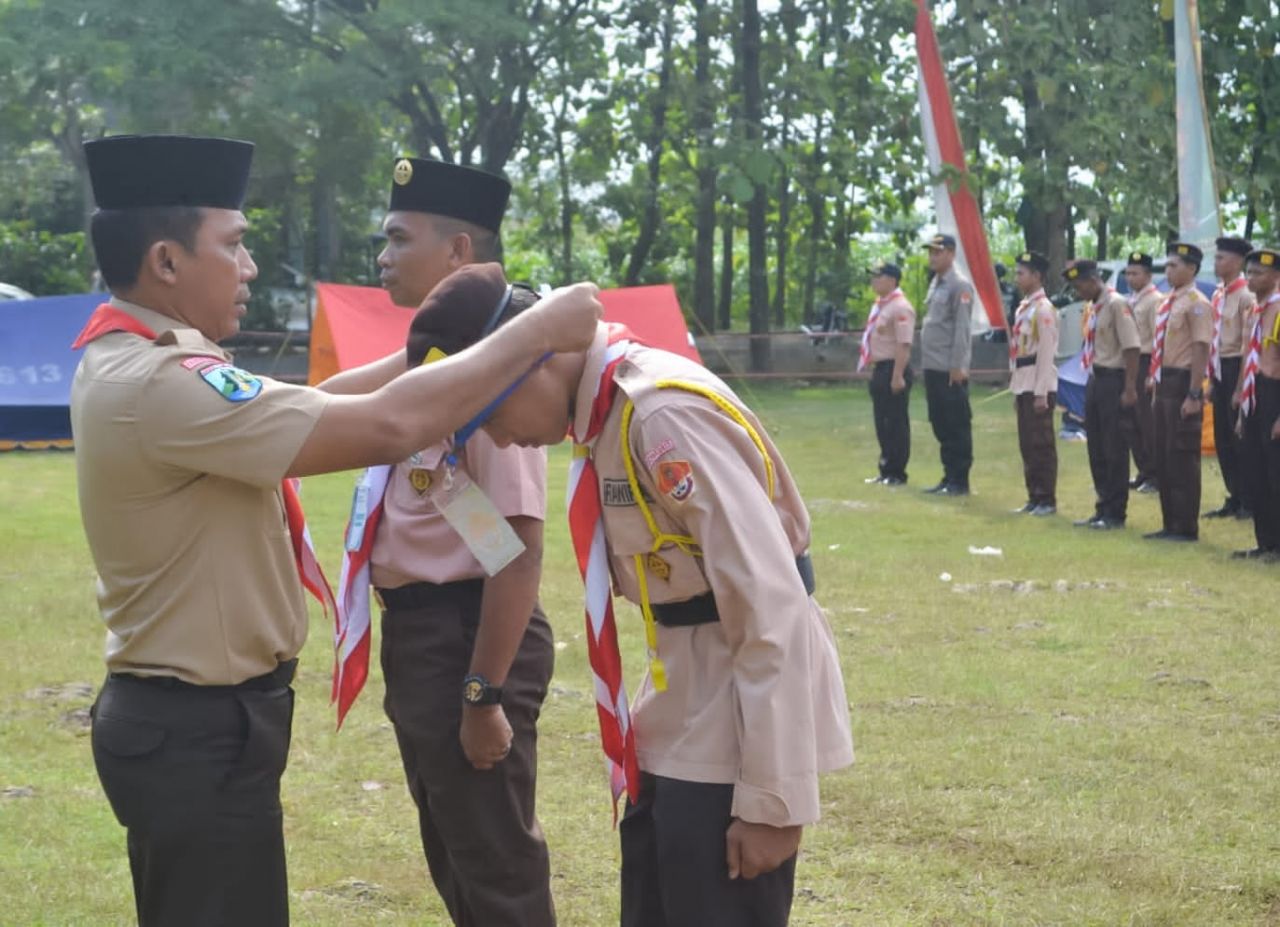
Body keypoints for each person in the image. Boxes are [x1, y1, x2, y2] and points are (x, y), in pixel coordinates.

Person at [71, 134, 601, 927]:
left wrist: (455, 344)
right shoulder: (162, 381)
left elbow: (506, 546)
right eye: (234, 244)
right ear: (167, 261)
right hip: (198, 727)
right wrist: (532, 332)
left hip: (224, 717)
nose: (250, 267)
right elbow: (381, 423)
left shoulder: (148, 363)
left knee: (490, 861)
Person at [404, 262, 853, 927]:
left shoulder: (659, 414)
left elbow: (769, 602)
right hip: (679, 697)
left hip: (735, 710)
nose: (498, 439)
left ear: (537, 359)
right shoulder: (607, 417)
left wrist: (773, 799)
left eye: (489, 416)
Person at [321, 157, 557, 927]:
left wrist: (483, 693)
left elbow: (514, 555)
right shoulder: (437, 362)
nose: (382, 256)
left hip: (467, 632)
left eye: (399, 238)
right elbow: (320, 405)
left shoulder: (494, 379)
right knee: (457, 852)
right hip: (425, 633)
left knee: (495, 865)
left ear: (459, 252)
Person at [1145, 242, 1212, 542]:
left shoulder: (1197, 303)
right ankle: (1169, 522)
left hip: (1183, 381)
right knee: (1163, 454)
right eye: (1167, 265)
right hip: (1164, 382)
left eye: (1174, 266)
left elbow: (1201, 348)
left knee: (1182, 456)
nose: (1168, 271)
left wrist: (1194, 393)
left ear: (1192, 269)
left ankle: (1185, 526)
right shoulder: (1168, 302)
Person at [1068, 261, 1140, 529]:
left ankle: (1115, 512)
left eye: (1080, 287)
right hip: (1095, 377)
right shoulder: (1094, 307)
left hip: (1114, 379)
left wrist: (1130, 387)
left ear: (1093, 280)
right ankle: (1102, 506)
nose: (1078, 293)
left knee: (1114, 447)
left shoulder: (1116, 304)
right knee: (1096, 446)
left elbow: (1132, 347)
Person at [1231, 247, 1280, 561]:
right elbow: (1246, 356)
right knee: (1256, 470)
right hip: (1254, 393)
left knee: (1276, 472)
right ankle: (1266, 542)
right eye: (1248, 272)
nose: (1251, 278)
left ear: (1275, 276)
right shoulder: (1253, 310)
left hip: (1275, 391)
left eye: (1258, 273)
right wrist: (1241, 401)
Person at [1204, 235, 1257, 520]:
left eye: (1221, 258)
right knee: (1223, 437)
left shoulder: (1246, 296)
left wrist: (1239, 387)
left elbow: (1247, 347)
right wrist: (1213, 379)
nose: (1216, 263)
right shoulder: (1219, 295)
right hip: (1220, 367)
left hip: (1238, 367)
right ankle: (1234, 494)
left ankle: (1249, 498)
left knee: (1240, 438)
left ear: (1237, 262)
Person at [920, 233, 975, 496]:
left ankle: (959, 479)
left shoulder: (959, 285)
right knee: (940, 421)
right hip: (933, 365)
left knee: (955, 424)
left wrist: (958, 365)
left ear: (951, 254)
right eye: (930, 252)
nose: (932, 257)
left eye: (938, 252)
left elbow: (962, 328)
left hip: (948, 367)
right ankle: (948, 475)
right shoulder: (937, 283)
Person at [1008, 251, 1059, 516]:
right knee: (1027, 444)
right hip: (1024, 381)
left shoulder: (1043, 309)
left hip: (1039, 383)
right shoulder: (1024, 307)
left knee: (1041, 444)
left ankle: (1046, 498)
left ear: (1037, 276)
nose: (1017, 278)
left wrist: (1041, 392)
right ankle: (1033, 495)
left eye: (1021, 273)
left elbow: (1046, 352)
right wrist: (1016, 387)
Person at [859, 262, 915, 486]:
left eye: (878, 276)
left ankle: (897, 472)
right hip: (881, 368)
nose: (873, 281)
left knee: (895, 422)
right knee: (882, 421)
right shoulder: (881, 306)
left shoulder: (900, 307)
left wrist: (897, 375)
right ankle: (885, 469)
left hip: (894, 367)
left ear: (892, 280)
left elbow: (904, 344)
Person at [1126, 252, 1162, 493]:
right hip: (1131, 362)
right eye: (1128, 273)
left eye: (1135, 273)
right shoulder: (1132, 300)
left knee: (1147, 422)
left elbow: (1158, 339)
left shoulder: (1154, 300)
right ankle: (1143, 470)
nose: (1130, 278)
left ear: (1148, 275)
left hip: (1146, 361)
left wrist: (1152, 373)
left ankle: (1155, 474)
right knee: (1132, 421)